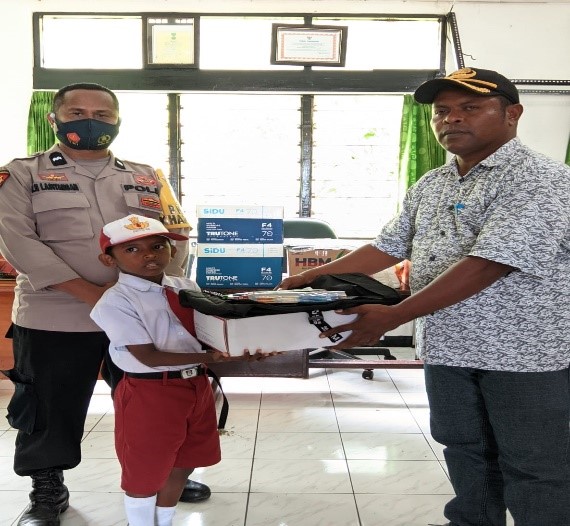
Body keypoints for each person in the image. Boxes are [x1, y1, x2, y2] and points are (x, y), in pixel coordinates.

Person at [279, 67, 570, 526]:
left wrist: (394, 315)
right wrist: (311, 278)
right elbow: (386, 247)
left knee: (534, 466)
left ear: (512, 114)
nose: (451, 119)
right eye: (442, 111)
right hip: (448, 348)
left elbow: (489, 262)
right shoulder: (433, 183)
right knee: (465, 450)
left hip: (522, 355)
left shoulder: (542, 179)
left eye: (470, 107)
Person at [0, 83, 207, 526]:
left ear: (116, 121)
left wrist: (154, 294)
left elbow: (176, 236)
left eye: (102, 113)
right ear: (54, 119)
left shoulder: (148, 176)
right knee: (48, 406)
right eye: (76, 112)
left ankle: (166, 472)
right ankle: (47, 487)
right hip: (56, 316)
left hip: (142, 316)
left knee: (158, 399)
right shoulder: (20, 174)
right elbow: (17, 241)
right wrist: (97, 296)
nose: (90, 120)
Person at [89, 214, 264, 526]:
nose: (149, 255)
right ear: (108, 259)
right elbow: (148, 356)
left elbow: (210, 330)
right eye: (132, 249)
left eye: (158, 246)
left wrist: (248, 343)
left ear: (172, 250)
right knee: (145, 469)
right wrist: (214, 357)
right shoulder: (115, 301)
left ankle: (164, 519)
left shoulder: (185, 287)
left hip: (196, 386)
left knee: (186, 459)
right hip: (150, 391)